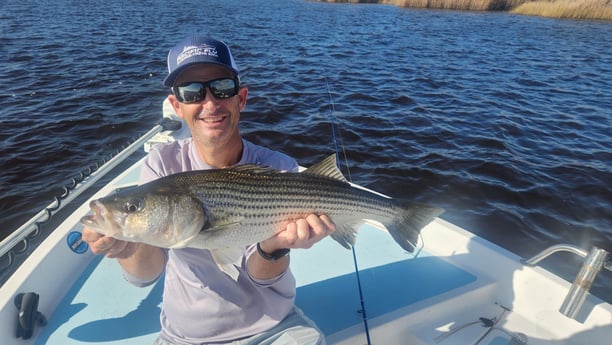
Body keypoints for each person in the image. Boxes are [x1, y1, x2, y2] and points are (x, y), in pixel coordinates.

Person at [82, 35, 336, 345]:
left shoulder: (278, 168)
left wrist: (276, 247)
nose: (210, 103)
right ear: (177, 106)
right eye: (192, 93)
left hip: (274, 327)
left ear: (240, 98)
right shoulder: (162, 165)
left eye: (222, 88)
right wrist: (127, 248)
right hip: (185, 336)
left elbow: (261, 277)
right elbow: (144, 276)